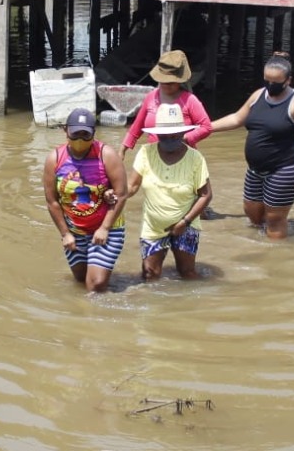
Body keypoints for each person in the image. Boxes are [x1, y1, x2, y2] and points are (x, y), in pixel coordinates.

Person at [210, 51, 294, 240]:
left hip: (284, 168)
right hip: (255, 169)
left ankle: (276, 258)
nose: (270, 86)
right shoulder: (258, 95)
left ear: (288, 80)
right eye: (267, 80)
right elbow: (236, 118)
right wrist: (206, 128)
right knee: (252, 213)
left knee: (274, 219)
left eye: (275, 82)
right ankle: (262, 244)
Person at [42, 107, 128, 293]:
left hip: (108, 227)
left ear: (93, 134)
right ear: (66, 131)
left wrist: (104, 228)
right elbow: (52, 201)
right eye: (75, 135)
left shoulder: (107, 155)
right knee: (81, 280)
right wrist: (65, 234)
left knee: (95, 285)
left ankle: (96, 317)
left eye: (85, 135)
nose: (80, 140)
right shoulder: (55, 159)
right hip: (74, 230)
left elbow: (121, 194)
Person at [126, 103, 212, 280]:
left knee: (187, 273)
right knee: (149, 274)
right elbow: (132, 186)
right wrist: (114, 194)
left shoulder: (195, 158)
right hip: (153, 226)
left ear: (183, 133)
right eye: (164, 136)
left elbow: (206, 195)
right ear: (157, 134)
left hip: (186, 224)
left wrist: (185, 222)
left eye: (175, 136)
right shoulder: (145, 152)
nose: (170, 140)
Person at [120, 50, 213, 159]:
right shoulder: (151, 97)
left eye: (170, 82)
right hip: (155, 156)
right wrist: (122, 150)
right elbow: (136, 128)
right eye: (163, 81)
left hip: (182, 156)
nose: (166, 85)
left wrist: (184, 139)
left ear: (180, 81)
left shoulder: (189, 100)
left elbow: (206, 127)